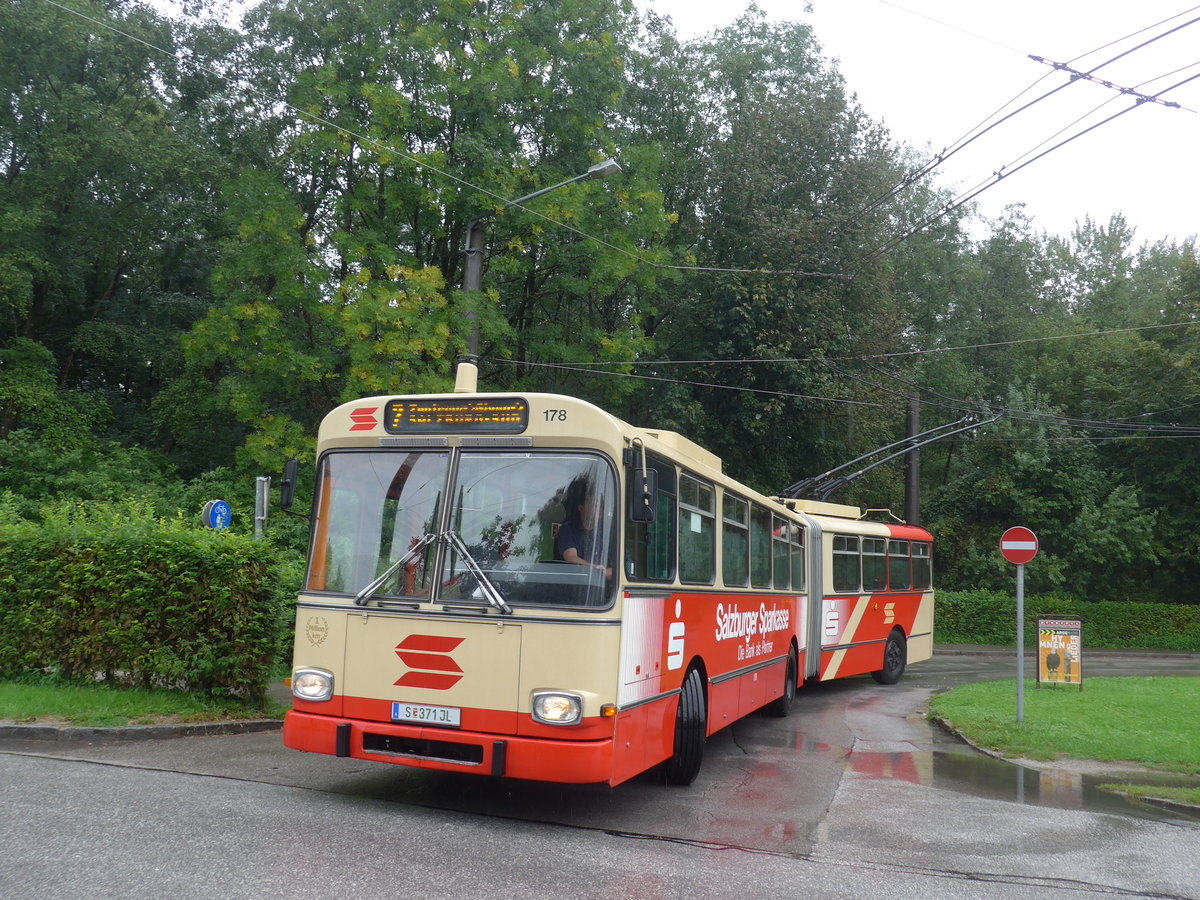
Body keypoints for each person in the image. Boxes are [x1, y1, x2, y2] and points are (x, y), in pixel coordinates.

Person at [554, 477, 612, 579]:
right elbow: (571, 557)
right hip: (574, 583)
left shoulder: (608, 531)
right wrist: (595, 569)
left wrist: (611, 573)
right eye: (595, 505)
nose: (600, 508)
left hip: (602, 589)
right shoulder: (568, 529)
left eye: (601, 504)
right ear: (581, 508)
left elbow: (621, 564)